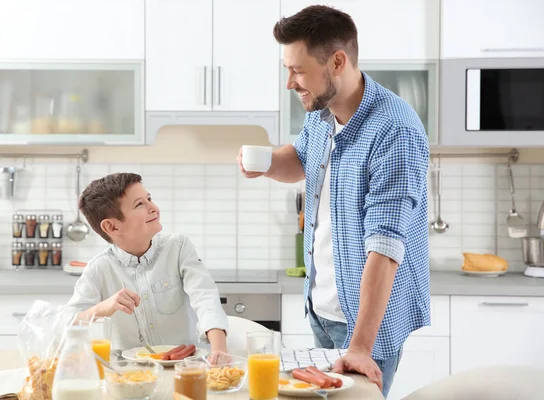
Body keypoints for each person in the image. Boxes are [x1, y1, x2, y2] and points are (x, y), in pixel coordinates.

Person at [237, 5, 430, 398]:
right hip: (322, 311)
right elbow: (303, 161)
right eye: (287, 70)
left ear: (337, 62)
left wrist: (360, 346)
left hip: (365, 326)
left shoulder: (395, 131)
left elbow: (386, 247)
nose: (290, 82)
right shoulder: (322, 112)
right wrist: (268, 164)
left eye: (298, 70)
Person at [66, 172, 229, 357]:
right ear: (112, 227)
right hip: (130, 374)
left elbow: (206, 298)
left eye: (149, 198)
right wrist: (101, 309)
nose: (153, 208)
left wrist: (219, 349)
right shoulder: (98, 269)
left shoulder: (178, 248)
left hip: (186, 368)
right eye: (139, 204)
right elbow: (66, 325)